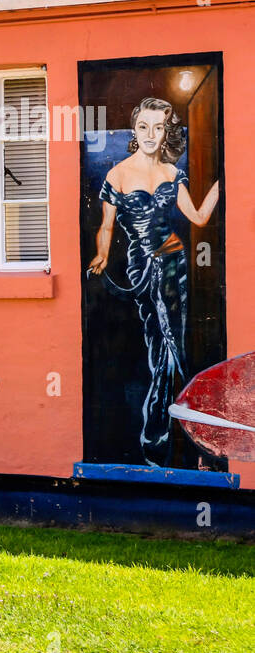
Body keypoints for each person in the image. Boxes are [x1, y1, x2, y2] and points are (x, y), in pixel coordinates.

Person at [87, 97, 220, 466]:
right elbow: (107, 226)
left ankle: (166, 435)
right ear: (134, 129)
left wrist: (223, 181)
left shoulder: (172, 173)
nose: (151, 134)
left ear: (166, 132)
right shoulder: (117, 175)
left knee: (172, 342)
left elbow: (197, 217)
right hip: (140, 264)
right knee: (157, 342)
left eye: (158, 127)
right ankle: (176, 432)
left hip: (173, 260)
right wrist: (101, 255)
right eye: (144, 126)